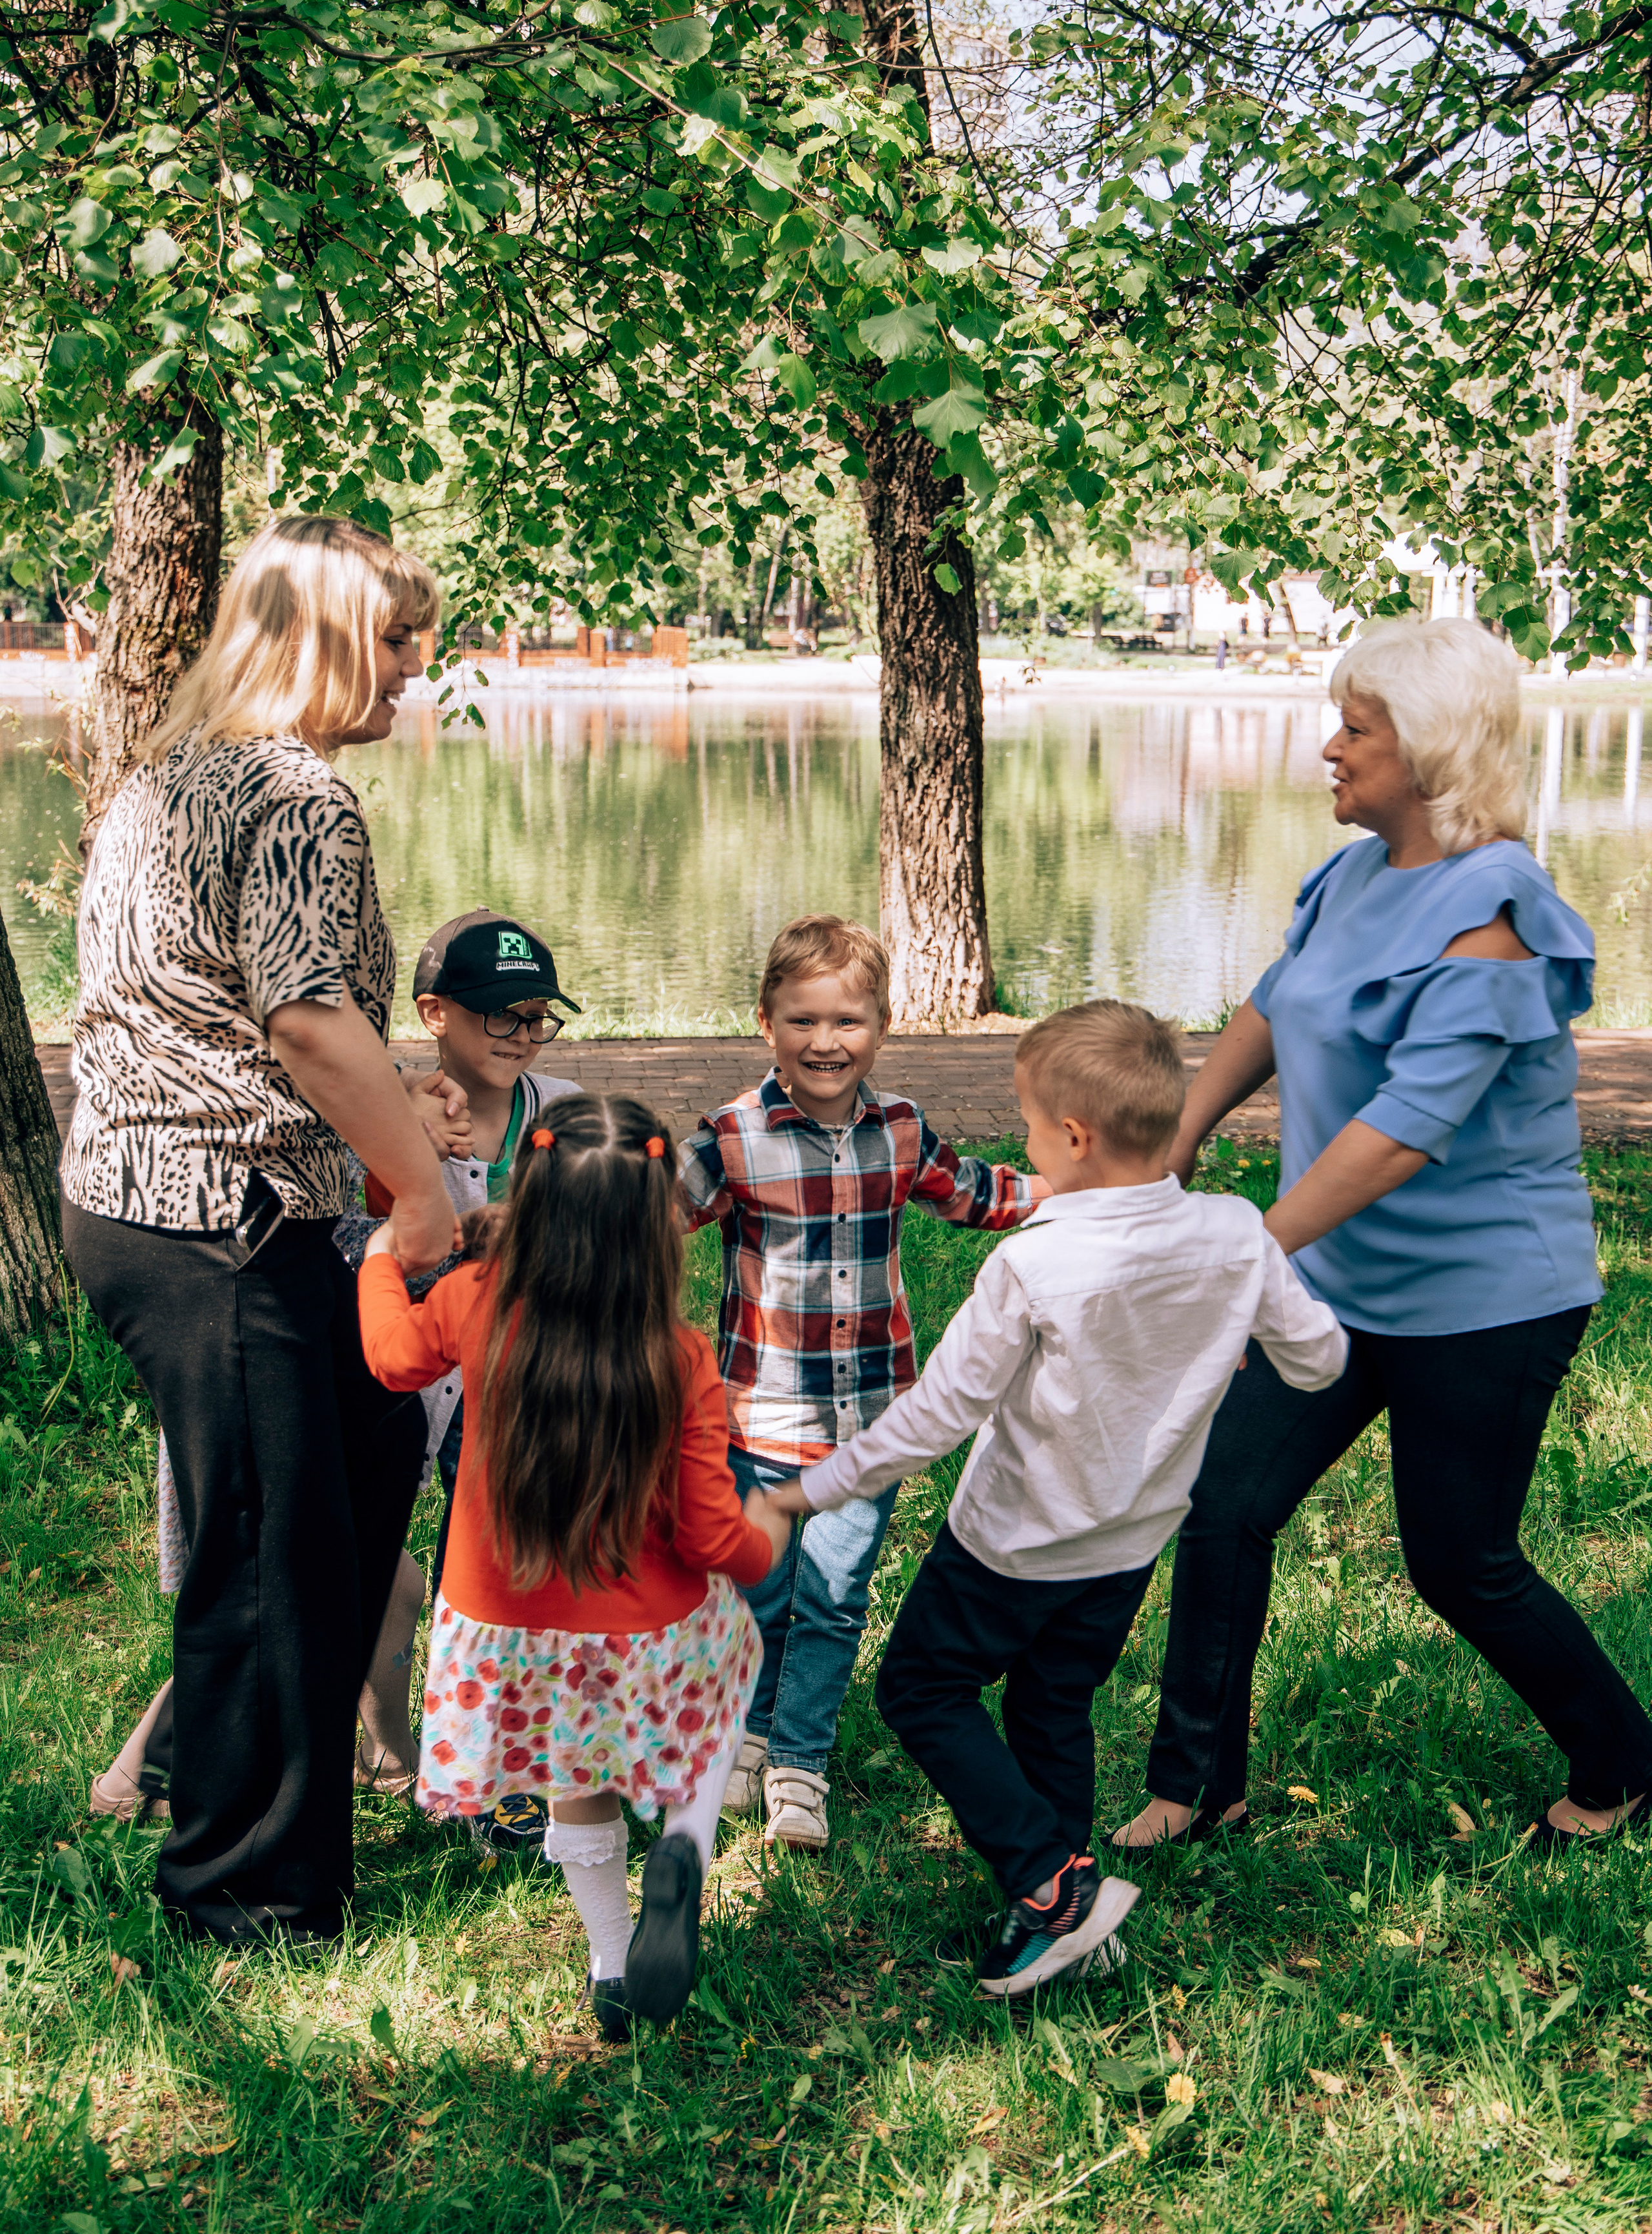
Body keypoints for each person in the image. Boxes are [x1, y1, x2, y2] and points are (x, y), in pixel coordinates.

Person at [1114, 616, 1652, 1856]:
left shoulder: (1498, 905)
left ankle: (1624, 1763)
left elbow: (1408, 1124)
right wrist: (1181, 1132)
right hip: (1342, 1284)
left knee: (1459, 1559)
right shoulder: (1351, 877)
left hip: (1488, 1294)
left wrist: (1246, 1247)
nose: (1328, 748)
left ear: (1431, 747)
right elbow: (1274, 1001)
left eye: (1356, 728)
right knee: (1224, 1498)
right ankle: (1197, 1788)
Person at [753, 1000, 1346, 1994]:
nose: (1025, 1143)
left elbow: (935, 1416)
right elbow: (1323, 1360)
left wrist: (803, 1494)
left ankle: (1047, 1882)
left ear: (1075, 1138)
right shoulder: (1237, 1234)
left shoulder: (1034, 1260)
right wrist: (1227, 1333)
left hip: (1011, 1546)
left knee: (921, 1689)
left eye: (1029, 1126)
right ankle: (1065, 1909)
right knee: (1053, 1700)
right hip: (1130, 1541)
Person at [61, 515, 461, 1945]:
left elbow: (243, 1008)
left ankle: (289, 1811)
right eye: (400, 637)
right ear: (329, 638)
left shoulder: (166, 780)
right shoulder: (295, 794)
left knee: (363, 1457)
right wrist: (422, 1185)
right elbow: (301, 1018)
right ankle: (243, 1890)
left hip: (151, 1204)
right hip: (214, 1217)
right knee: (263, 1543)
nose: (419, 665)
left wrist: (377, 1107)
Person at [358, 1093, 789, 2036]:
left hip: (508, 1628)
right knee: (728, 1678)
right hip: (645, 1623)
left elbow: (391, 1357)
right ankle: (684, 1839)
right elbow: (718, 1541)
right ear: (660, 1231)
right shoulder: (678, 1356)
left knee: (574, 1768)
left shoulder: (478, 1302)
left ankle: (609, 1962)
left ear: (532, 1196)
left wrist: (386, 1257)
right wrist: (769, 1531)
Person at [678, 915, 1047, 1853]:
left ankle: (801, 1762)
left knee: (835, 1596)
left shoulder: (899, 1130)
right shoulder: (732, 1137)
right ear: (767, 1022)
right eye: (803, 1020)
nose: (825, 1041)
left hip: (869, 1427)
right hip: (760, 1421)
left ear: (882, 1023)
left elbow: (972, 1192)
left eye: (848, 1020)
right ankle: (746, 1738)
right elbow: (645, 1217)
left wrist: (1073, 1188)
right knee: (758, 1595)